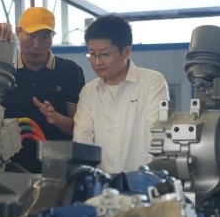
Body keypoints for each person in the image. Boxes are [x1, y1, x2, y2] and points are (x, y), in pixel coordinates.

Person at [0, 6, 86, 217]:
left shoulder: (70, 71)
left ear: (52, 39)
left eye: (44, 37)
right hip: (12, 174)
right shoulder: (3, 68)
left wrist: (57, 119)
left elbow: (78, 125)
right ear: (18, 33)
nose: (36, 45)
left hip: (59, 173)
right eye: (30, 36)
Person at [72, 14, 169, 174]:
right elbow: (82, 140)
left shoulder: (152, 82)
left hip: (144, 182)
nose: (97, 62)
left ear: (126, 52)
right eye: (92, 54)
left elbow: (157, 134)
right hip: (101, 185)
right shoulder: (89, 92)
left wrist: (149, 178)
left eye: (105, 54)